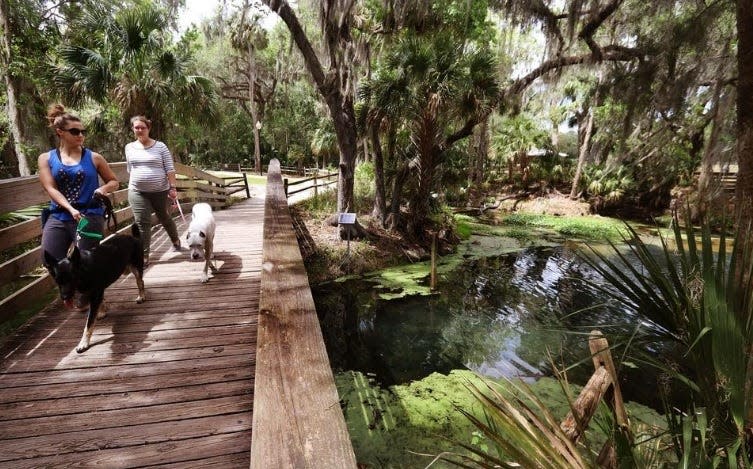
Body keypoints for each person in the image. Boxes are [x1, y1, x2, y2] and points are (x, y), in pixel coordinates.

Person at [39, 104, 120, 310]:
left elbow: (113, 181)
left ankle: (94, 298)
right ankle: (71, 289)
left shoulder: (93, 157)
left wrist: (102, 190)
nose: (81, 135)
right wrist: (69, 208)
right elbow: (50, 188)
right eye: (75, 131)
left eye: (83, 131)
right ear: (60, 133)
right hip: (59, 214)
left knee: (87, 261)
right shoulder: (46, 158)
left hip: (89, 214)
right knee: (48, 256)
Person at [125, 115, 182, 265]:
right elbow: (130, 169)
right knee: (142, 222)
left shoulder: (160, 146)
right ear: (133, 129)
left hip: (160, 191)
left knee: (164, 217)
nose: (139, 130)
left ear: (148, 128)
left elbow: (169, 168)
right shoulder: (129, 147)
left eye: (142, 127)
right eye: (136, 127)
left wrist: (172, 187)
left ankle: (175, 239)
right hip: (137, 191)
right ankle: (144, 256)